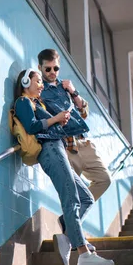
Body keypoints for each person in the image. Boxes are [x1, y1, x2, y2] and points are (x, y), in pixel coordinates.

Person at [14, 69, 114, 265]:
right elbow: (32, 126)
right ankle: (83, 254)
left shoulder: (38, 103)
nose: (41, 84)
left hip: (58, 149)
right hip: (50, 151)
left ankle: (67, 236)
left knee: (85, 197)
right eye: (38, 81)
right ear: (26, 82)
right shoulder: (23, 102)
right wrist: (55, 118)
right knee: (71, 198)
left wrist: (63, 118)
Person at [38, 49, 112, 251]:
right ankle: (74, 234)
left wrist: (74, 92)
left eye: (56, 68)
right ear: (40, 68)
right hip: (66, 148)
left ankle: (69, 226)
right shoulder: (40, 90)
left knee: (105, 180)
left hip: (84, 144)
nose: (52, 72)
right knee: (73, 197)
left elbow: (84, 112)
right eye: (48, 69)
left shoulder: (66, 87)